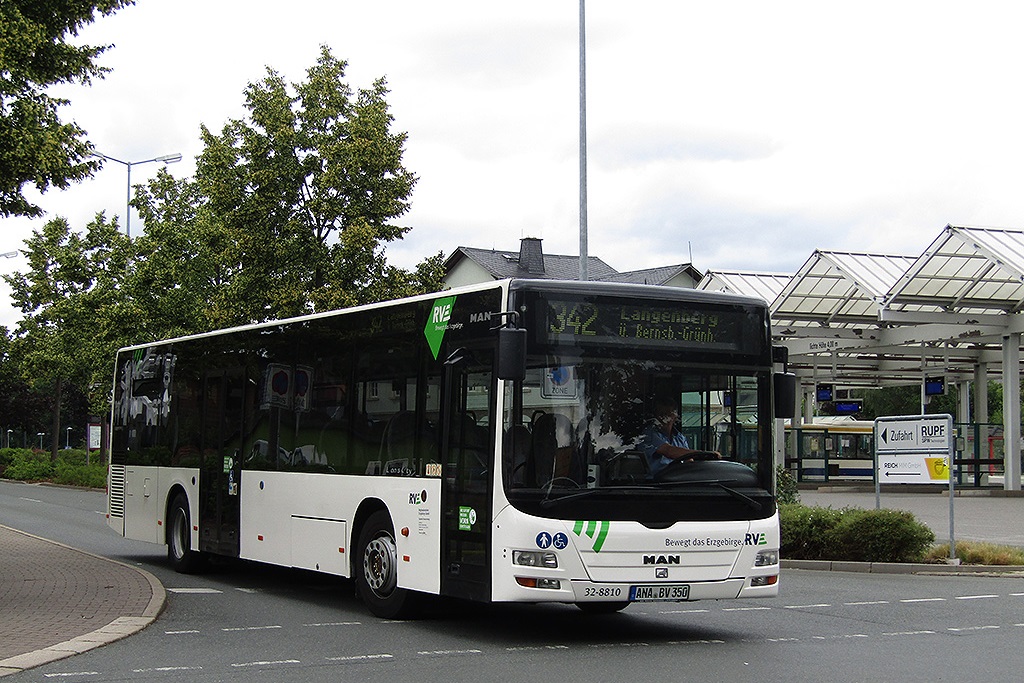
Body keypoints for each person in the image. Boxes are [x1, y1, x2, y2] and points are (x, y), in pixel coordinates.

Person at [642, 399, 717, 477]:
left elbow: (689, 460)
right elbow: (669, 451)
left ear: (675, 416)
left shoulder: (680, 437)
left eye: (668, 414)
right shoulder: (648, 434)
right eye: (661, 414)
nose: (664, 418)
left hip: (678, 480)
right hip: (655, 483)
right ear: (656, 416)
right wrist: (702, 454)